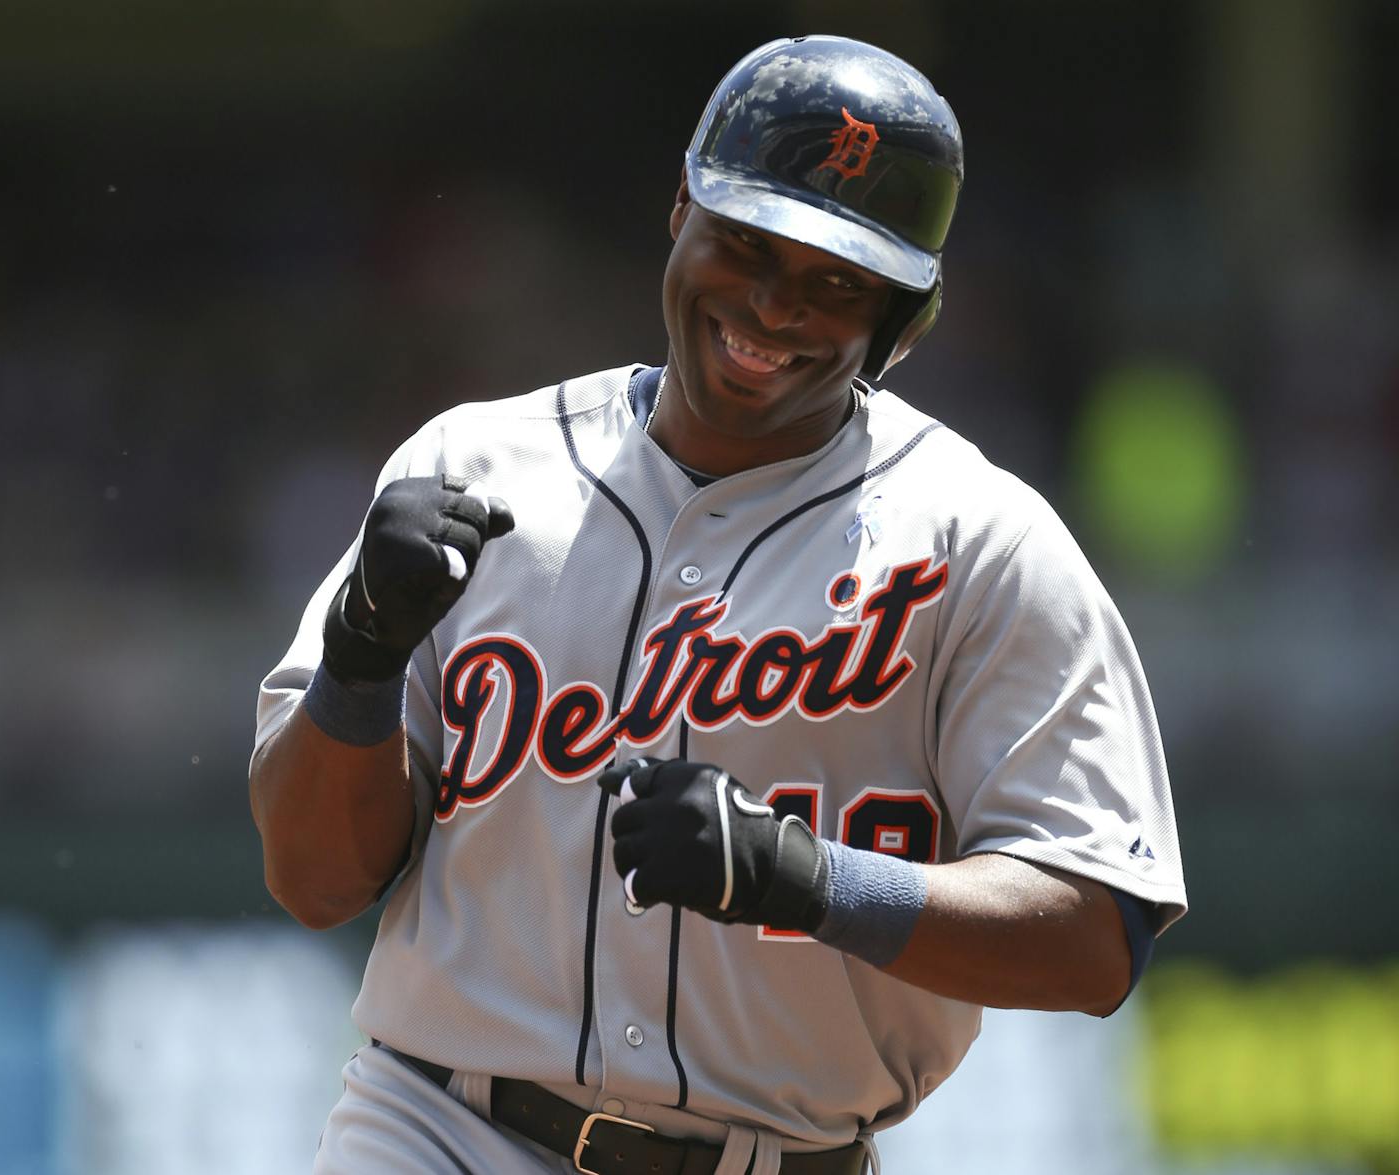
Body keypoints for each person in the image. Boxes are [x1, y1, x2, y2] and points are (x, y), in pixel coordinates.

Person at [250, 34, 1186, 1175]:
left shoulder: (977, 541)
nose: (771, 307)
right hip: (441, 1129)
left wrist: (805, 876)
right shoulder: (473, 467)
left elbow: (1094, 938)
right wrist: (359, 653)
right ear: (680, 207)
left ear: (907, 317)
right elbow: (310, 879)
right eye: (745, 245)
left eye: (835, 281)